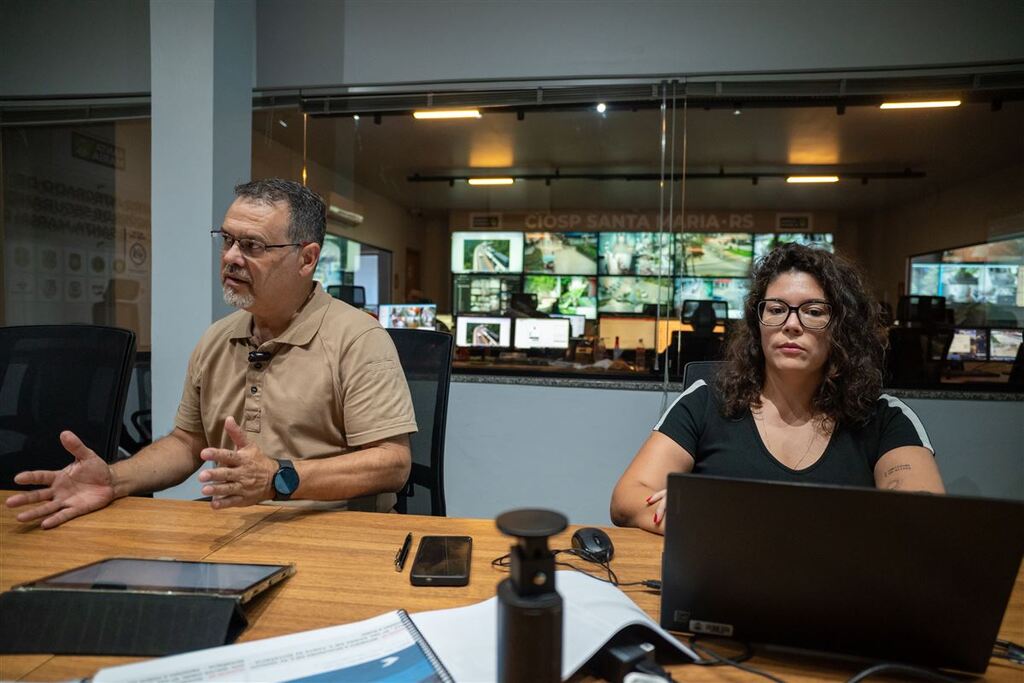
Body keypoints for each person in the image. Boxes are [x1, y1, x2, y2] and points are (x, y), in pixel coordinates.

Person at [7, 179, 417, 528]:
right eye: (227, 240)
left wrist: (279, 478)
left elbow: (392, 463)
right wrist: (114, 479)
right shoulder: (217, 338)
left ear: (306, 258)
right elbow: (188, 442)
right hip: (231, 525)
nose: (231, 258)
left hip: (331, 531)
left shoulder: (357, 338)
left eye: (253, 245)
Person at [611, 243, 944, 535]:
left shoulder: (886, 418)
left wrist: (730, 513)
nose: (791, 324)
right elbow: (627, 498)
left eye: (813, 312)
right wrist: (684, 516)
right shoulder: (706, 398)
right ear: (758, 324)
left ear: (842, 327)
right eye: (776, 309)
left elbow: (924, 521)